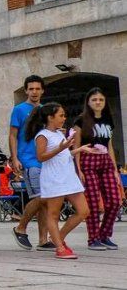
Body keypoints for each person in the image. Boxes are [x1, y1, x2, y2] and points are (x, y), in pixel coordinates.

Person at [27, 102, 89, 259]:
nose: (64, 118)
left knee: (83, 211)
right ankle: (60, 247)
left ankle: (58, 238)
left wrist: (78, 149)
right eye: (61, 115)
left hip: (68, 177)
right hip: (54, 178)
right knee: (53, 214)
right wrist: (61, 148)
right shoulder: (42, 135)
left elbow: (64, 155)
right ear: (50, 117)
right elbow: (41, 157)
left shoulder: (59, 134)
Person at [73, 87, 123, 249]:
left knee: (115, 201)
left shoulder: (108, 120)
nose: (98, 102)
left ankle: (104, 234)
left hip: (106, 161)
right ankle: (92, 238)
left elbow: (109, 145)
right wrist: (78, 169)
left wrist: (115, 170)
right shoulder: (81, 120)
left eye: (101, 99)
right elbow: (77, 144)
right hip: (88, 160)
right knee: (93, 203)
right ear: (88, 102)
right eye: (94, 100)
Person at [10, 75, 50, 251]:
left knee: (46, 201)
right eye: (31, 88)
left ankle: (43, 239)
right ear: (26, 90)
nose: (34, 92)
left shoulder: (46, 110)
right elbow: (12, 134)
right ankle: (20, 227)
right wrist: (15, 157)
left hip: (45, 159)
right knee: (39, 197)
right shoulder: (19, 110)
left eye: (37, 88)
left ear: (42, 90)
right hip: (28, 159)